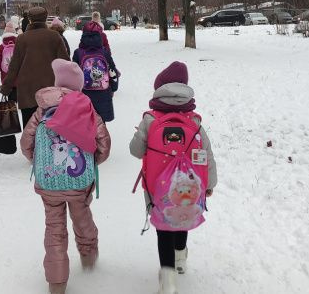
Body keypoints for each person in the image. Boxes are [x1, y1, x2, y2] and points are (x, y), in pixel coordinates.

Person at [20, 59, 111, 294]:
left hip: (48, 183)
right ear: (79, 86)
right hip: (79, 183)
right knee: (82, 217)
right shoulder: (87, 108)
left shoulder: (42, 111)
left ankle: (57, 282)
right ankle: (89, 254)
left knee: (54, 228)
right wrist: (91, 163)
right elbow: (103, 145)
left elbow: (26, 142)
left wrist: (39, 161)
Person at [129, 61, 218, 294]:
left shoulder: (150, 119)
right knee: (182, 214)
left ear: (159, 88)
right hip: (188, 186)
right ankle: (180, 260)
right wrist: (209, 183)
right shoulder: (194, 120)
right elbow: (206, 153)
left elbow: (136, 151)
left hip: (158, 187)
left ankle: (167, 281)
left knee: (163, 227)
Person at [0, 7, 69, 125]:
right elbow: (65, 64)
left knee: (29, 131)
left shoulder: (22, 39)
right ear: (45, 18)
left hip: (27, 93)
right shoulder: (55, 36)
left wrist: (6, 87)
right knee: (51, 134)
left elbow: (14, 66)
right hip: (51, 93)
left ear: (30, 20)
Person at [73, 21, 118, 123]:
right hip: (103, 94)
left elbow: (73, 75)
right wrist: (113, 88)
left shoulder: (78, 53)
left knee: (85, 123)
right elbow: (112, 70)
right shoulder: (104, 52)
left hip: (84, 95)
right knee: (101, 125)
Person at [0, 21, 18, 87]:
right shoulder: (18, 45)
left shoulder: (2, 46)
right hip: (15, 72)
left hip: (5, 72)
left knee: (7, 88)